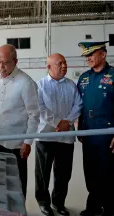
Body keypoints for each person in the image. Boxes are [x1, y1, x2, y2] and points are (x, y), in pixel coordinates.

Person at [0, 44, 40, 211]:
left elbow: (34, 115)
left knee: (17, 179)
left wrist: (28, 141)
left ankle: (18, 210)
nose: (0, 67)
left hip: (18, 141)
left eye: (4, 63)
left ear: (15, 61)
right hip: (0, 137)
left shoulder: (26, 83)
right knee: (2, 175)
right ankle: (2, 203)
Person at [35, 53, 83, 216]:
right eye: (60, 63)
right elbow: (40, 108)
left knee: (63, 173)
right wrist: (57, 122)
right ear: (49, 67)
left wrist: (67, 122)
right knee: (43, 173)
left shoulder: (71, 85)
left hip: (66, 137)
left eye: (65, 63)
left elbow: (78, 105)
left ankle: (58, 202)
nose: (64, 66)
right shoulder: (40, 85)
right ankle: (43, 203)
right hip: (45, 136)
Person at [77, 41, 114, 216]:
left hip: (108, 135)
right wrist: (79, 127)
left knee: (108, 172)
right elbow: (79, 106)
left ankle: (110, 207)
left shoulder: (113, 75)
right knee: (90, 171)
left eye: (91, 54)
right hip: (88, 134)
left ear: (103, 54)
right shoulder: (83, 78)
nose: (88, 58)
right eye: (86, 55)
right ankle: (94, 205)